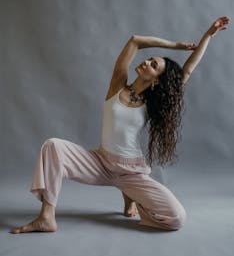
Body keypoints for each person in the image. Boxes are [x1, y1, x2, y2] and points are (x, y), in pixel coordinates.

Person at [10, 16, 230, 234]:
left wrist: (208, 35)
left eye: (153, 65)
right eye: (150, 59)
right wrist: (175, 46)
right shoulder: (117, 85)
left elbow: (188, 70)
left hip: (130, 172)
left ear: (155, 80)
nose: (145, 62)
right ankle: (46, 218)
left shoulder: (150, 103)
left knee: (177, 218)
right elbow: (135, 40)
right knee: (52, 146)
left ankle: (131, 197)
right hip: (100, 163)